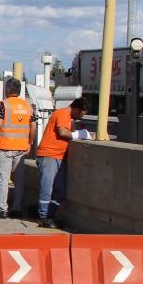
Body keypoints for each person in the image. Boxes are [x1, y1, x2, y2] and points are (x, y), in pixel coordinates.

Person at [36, 97, 89, 228]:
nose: (80, 118)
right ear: (76, 109)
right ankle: (43, 217)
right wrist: (80, 134)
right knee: (47, 187)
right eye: (81, 114)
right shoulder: (62, 113)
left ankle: (50, 215)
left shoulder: (69, 119)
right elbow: (62, 132)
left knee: (59, 189)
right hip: (49, 155)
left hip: (58, 156)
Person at [0, 78, 36, 219]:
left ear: (7, 89)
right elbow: (33, 126)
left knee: (2, 179)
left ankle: (2, 208)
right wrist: (30, 142)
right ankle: (17, 209)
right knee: (19, 180)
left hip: (5, 147)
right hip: (21, 148)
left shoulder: (4, 104)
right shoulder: (27, 106)